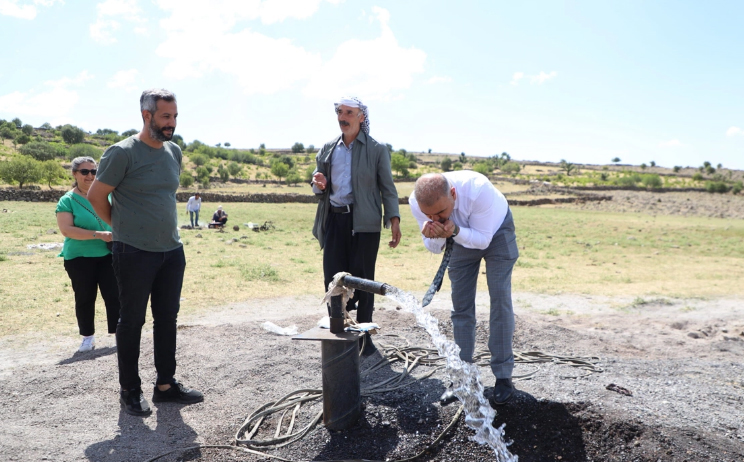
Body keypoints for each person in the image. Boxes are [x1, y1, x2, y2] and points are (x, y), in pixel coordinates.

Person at [88, 88, 203, 417]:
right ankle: (130, 390)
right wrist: (122, 230)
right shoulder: (122, 152)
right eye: (166, 116)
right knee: (132, 321)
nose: (172, 123)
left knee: (167, 318)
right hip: (134, 252)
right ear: (147, 115)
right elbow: (97, 197)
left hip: (171, 251)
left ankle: (165, 386)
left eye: (175, 116)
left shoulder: (173, 151)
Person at [409, 171, 519, 406]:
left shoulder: (478, 190)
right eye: (429, 215)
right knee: (461, 306)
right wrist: (436, 234)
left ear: (453, 193)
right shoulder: (415, 202)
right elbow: (433, 247)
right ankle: (462, 379)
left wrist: (454, 231)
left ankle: (503, 377)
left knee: (500, 300)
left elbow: (482, 240)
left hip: (495, 233)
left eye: (440, 212)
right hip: (457, 238)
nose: (435, 218)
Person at [311, 96, 401, 355]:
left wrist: (393, 219)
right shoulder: (328, 148)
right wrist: (318, 184)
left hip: (365, 223)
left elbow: (388, 188)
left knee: (363, 281)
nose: (343, 116)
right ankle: (339, 333)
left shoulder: (376, 149)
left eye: (349, 112)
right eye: (340, 111)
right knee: (333, 278)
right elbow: (318, 186)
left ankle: (364, 338)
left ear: (361, 117)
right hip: (335, 220)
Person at [55, 156, 120, 353]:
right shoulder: (67, 200)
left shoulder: (107, 195)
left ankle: (120, 335)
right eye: (84, 171)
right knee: (84, 298)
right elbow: (66, 230)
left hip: (108, 255)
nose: (90, 175)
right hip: (79, 258)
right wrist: (98, 235)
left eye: (93, 171)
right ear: (75, 174)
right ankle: (87, 338)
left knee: (114, 295)